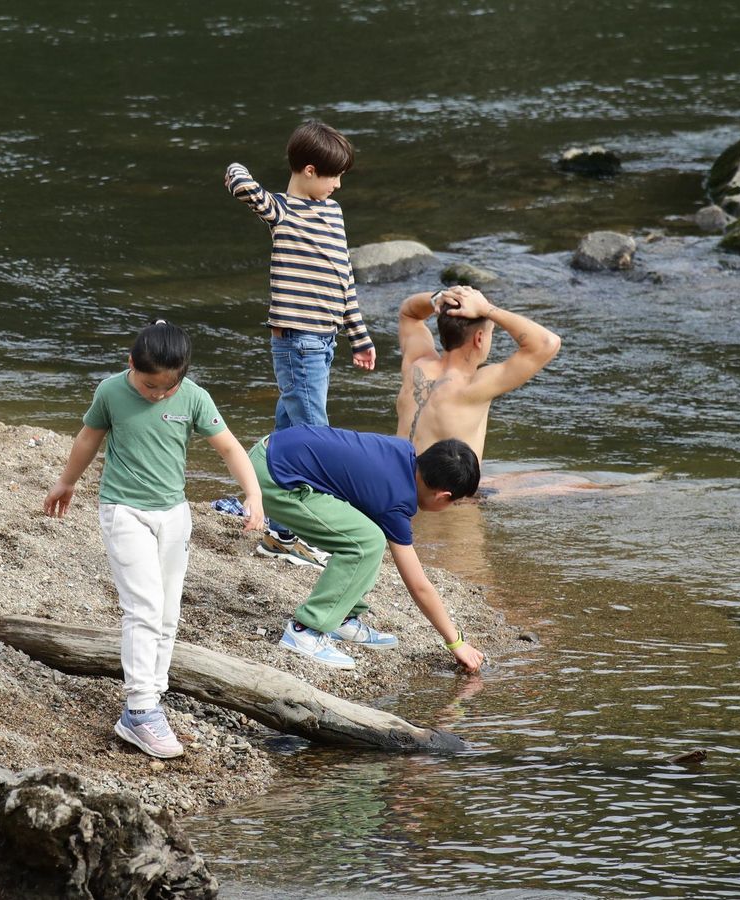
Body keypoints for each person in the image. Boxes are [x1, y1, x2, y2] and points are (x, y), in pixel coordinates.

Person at [45, 321, 264, 759]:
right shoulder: (110, 391)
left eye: (168, 388)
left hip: (174, 515)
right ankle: (140, 709)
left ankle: (153, 696)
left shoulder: (194, 397)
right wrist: (67, 483)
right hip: (123, 510)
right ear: (131, 364)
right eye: (149, 386)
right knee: (142, 607)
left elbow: (229, 447)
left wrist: (253, 494)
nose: (158, 395)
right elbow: (89, 438)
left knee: (167, 612)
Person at [225, 120, 374, 569]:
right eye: (333, 175)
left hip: (323, 341)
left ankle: (275, 523)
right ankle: (304, 529)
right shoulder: (282, 210)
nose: (338, 184)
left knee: (289, 433)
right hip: (296, 342)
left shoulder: (334, 214)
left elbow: (344, 279)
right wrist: (237, 162)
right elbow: (236, 179)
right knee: (316, 440)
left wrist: (358, 336)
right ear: (309, 170)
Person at [248, 424, 486, 673]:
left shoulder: (403, 452)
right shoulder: (394, 501)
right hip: (272, 479)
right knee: (366, 543)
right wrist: (456, 641)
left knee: (368, 531)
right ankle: (306, 631)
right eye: (454, 502)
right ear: (442, 496)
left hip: (273, 449)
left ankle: (342, 617)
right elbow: (418, 585)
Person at [396, 285, 561, 466]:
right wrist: (486, 309)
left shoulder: (417, 364)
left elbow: (409, 313)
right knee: (570, 484)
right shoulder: (473, 387)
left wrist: (442, 296)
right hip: (446, 493)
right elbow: (547, 343)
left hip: (398, 481)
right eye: (491, 332)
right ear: (479, 338)